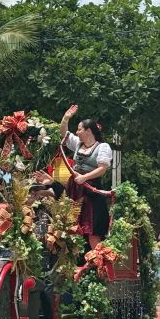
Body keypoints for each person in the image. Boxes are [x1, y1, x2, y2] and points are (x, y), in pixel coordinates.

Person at [60, 104, 112, 249]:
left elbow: (102, 169)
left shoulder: (102, 147)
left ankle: (97, 264)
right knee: (71, 226)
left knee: (92, 228)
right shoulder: (78, 144)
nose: (77, 133)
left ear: (88, 131)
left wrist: (85, 177)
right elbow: (64, 134)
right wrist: (66, 118)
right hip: (75, 190)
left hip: (91, 190)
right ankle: (72, 263)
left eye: (79, 129)